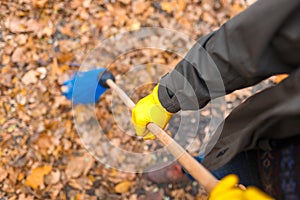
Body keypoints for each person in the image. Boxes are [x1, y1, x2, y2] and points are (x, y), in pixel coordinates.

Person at [131, 0, 300, 199]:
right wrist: (167, 98)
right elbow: (250, 44)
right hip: (263, 144)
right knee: (218, 162)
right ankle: (188, 171)